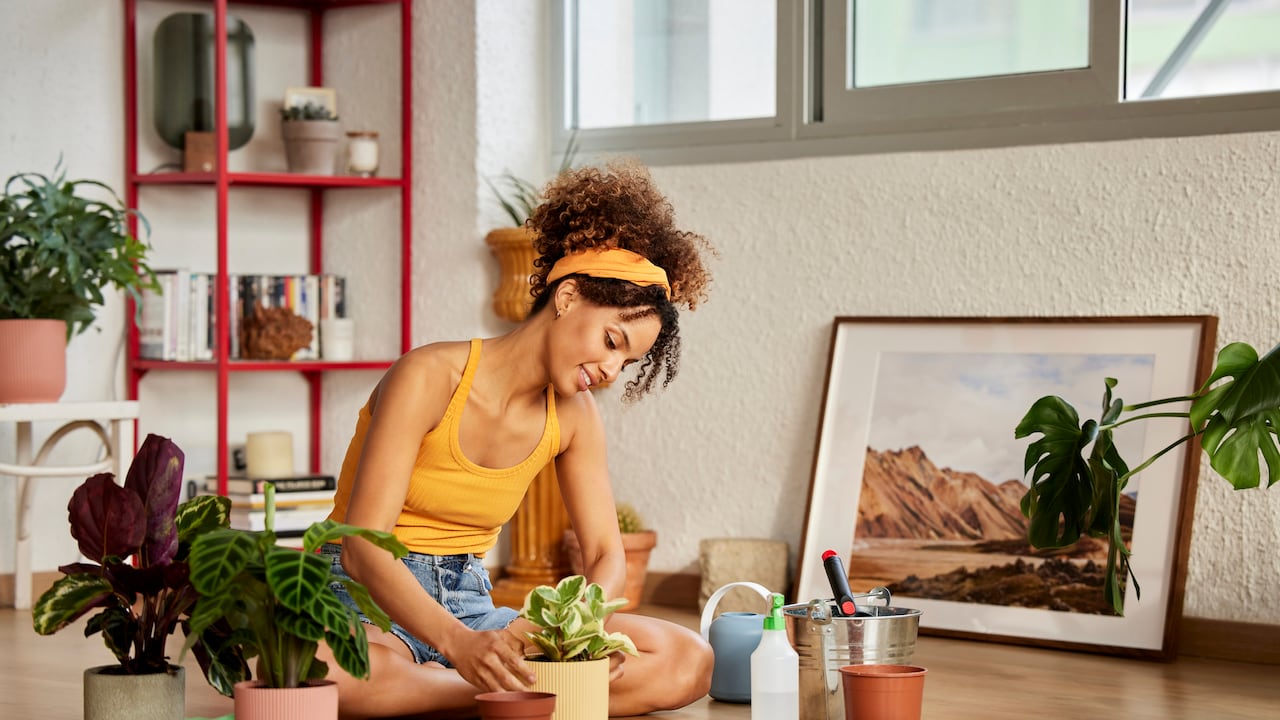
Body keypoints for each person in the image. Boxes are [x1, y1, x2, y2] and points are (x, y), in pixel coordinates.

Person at [317, 160, 716, 719]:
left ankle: (444, 690)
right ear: (569, 295)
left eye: (627, 361)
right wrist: (461, 647)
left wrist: (562, 634)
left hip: (474, 602)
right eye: (611, 340)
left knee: (686, 658)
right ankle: (511, 693)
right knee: (325, 673)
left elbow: (604, 555)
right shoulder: (429, 376)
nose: (610, 368)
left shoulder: (574, 418)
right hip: (368, 603)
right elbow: (363, 549)